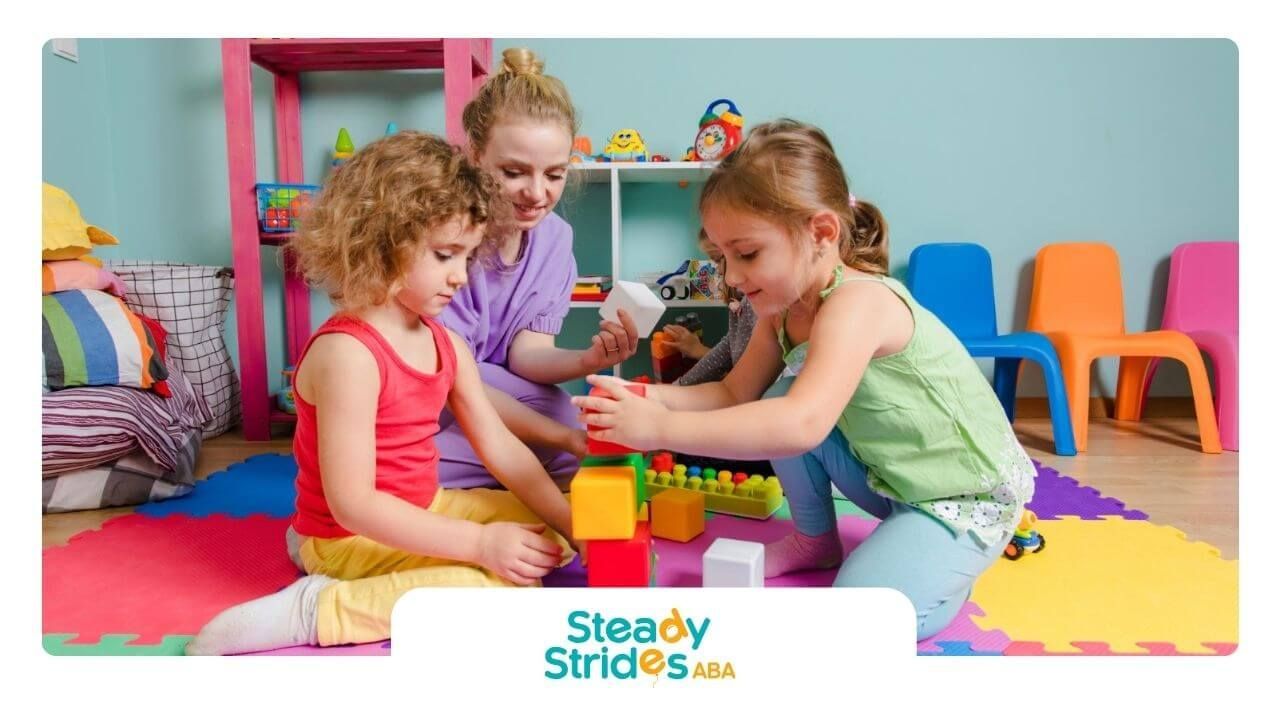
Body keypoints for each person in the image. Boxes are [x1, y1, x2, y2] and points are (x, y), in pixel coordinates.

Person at [573, 119, 1036, 640]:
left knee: (853, 621)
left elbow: (802, 426)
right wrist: (647, 397)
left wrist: (657, 430)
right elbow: (732, 393)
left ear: (821, 233)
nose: (731, 277)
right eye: (722, 257)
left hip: (960, 499)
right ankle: (817, 539)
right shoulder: (784, 310)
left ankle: (948, 577)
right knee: (776, 395)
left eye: (746, 254)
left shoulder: (860, 303)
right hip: (891, 479)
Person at [187, 132, 575, 655]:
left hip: (423, 505)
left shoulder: (444, 342)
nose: (461, 277)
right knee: (504, 584)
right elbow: (355, 505)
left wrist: (570, 520)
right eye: (444, 255)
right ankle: (315, 608)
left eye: (466, 256)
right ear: (383, 242)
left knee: (550, 544)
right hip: (348, 536)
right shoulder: (349, 354)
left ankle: (311, 552)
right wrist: (482, 545)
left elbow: (500, 447)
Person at [436, 47, 639, 490]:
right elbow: (454, 381)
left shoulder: (555, 239)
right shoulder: (448, 237)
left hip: (491, 382)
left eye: (554, 174)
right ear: (476, 156)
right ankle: (398, 486)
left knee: (566, 432)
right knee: (551, 439)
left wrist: (588, 360)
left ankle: (487, 486)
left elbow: (526, 353)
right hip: (434, 387)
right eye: (514, 172)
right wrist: (557, 437)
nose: (536, 193)